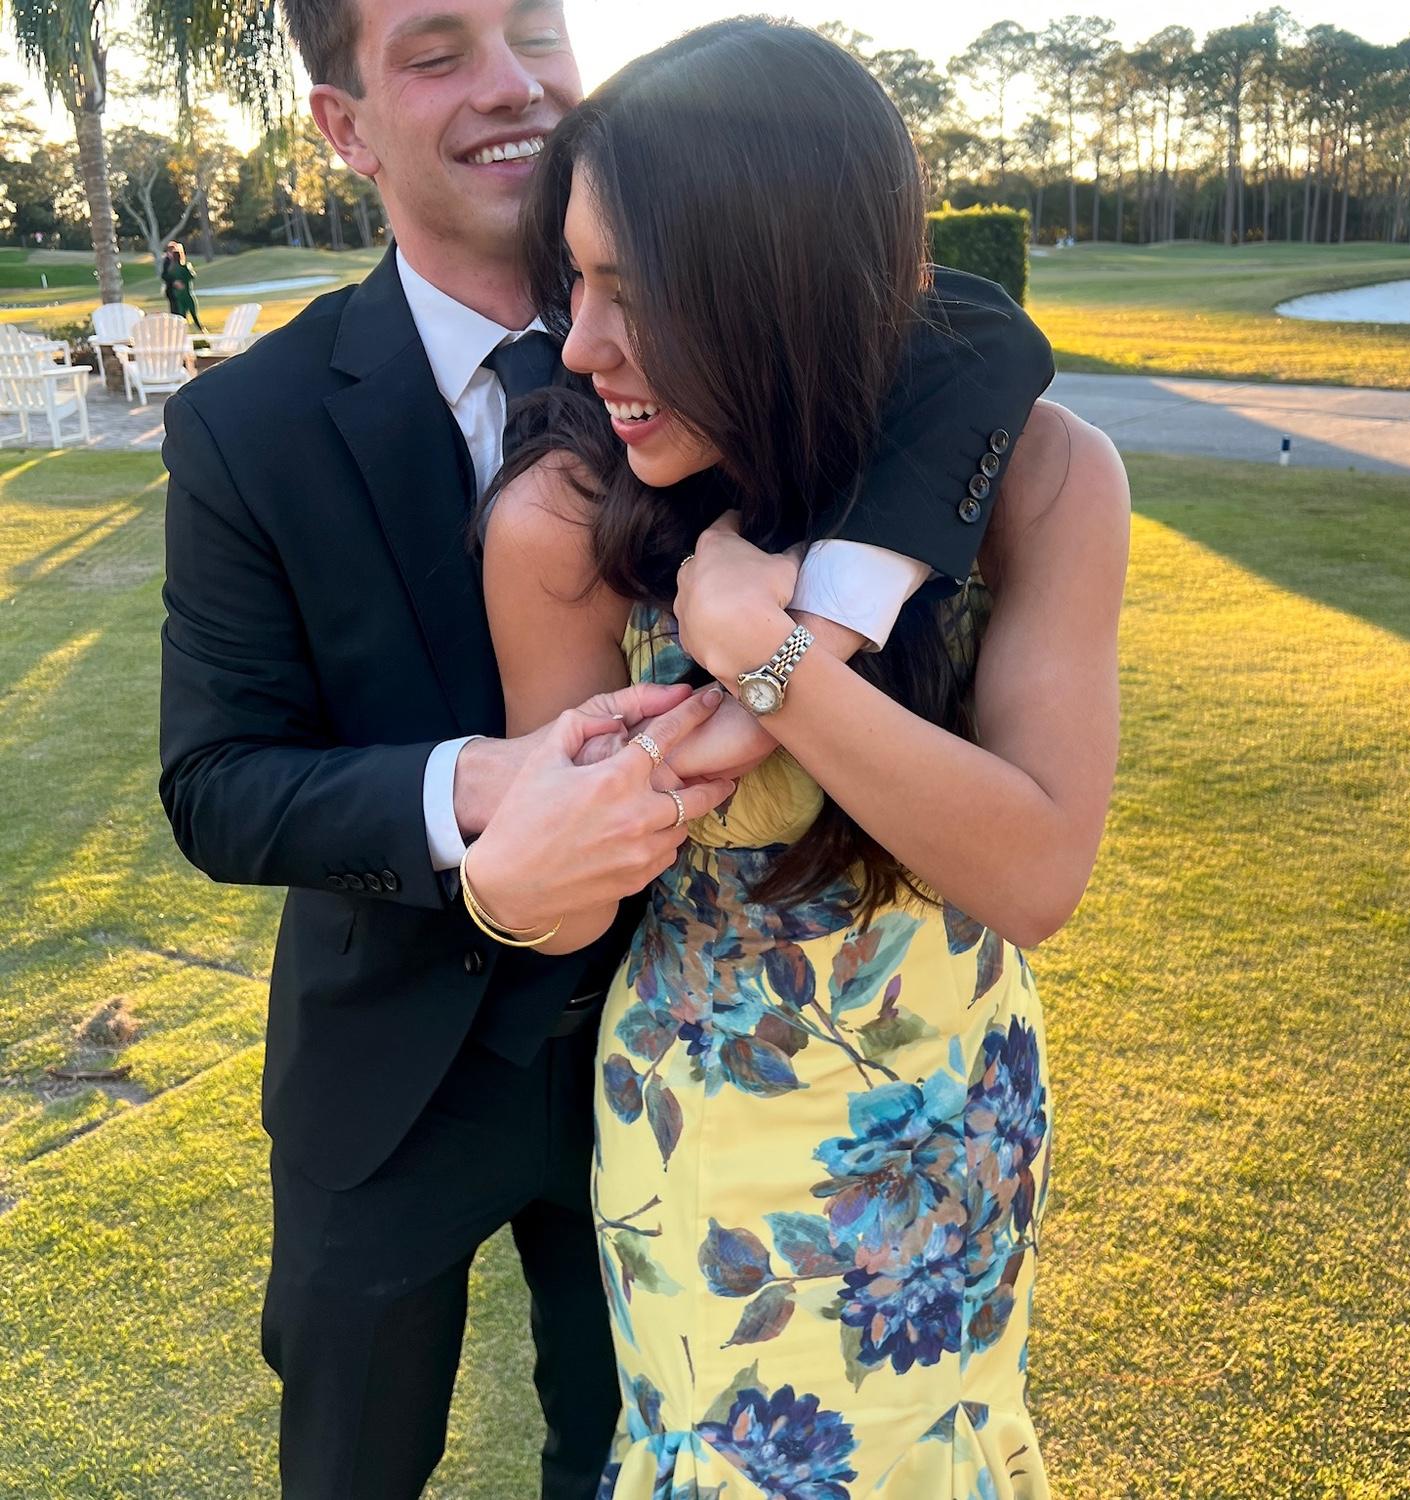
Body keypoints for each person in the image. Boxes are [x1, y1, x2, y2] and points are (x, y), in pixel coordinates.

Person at [157, 2, 1053, 1497]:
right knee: (351, 1460)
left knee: (629, 1448)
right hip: (396, 1062)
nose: (514, 83)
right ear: (342, 124)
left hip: (682, 1063)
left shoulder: (726, 325)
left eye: (534, 28)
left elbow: (985, 331)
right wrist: (486, 792)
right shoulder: (249, 425)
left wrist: (813, 627)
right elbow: (215, 780)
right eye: (438, 52)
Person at [469, 19, 1129, 1498]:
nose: (582, 344)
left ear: (780, 281)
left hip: (958, 1099)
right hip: (714, 1126)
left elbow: (1035, 873)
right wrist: (513, 877)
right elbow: (561, 906)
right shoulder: (566, 522)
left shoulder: (1047, 479)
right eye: (577, 280)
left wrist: (764, 657)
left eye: (636, 292)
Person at [162, 240, 205, 331]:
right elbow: (164, 275)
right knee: (177, 313)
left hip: (180, 293)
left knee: (182, 313)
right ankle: (177, 330)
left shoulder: (179, 266)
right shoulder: (168, 262)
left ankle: (182, 329)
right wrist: (174, 281)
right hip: (173, 292)